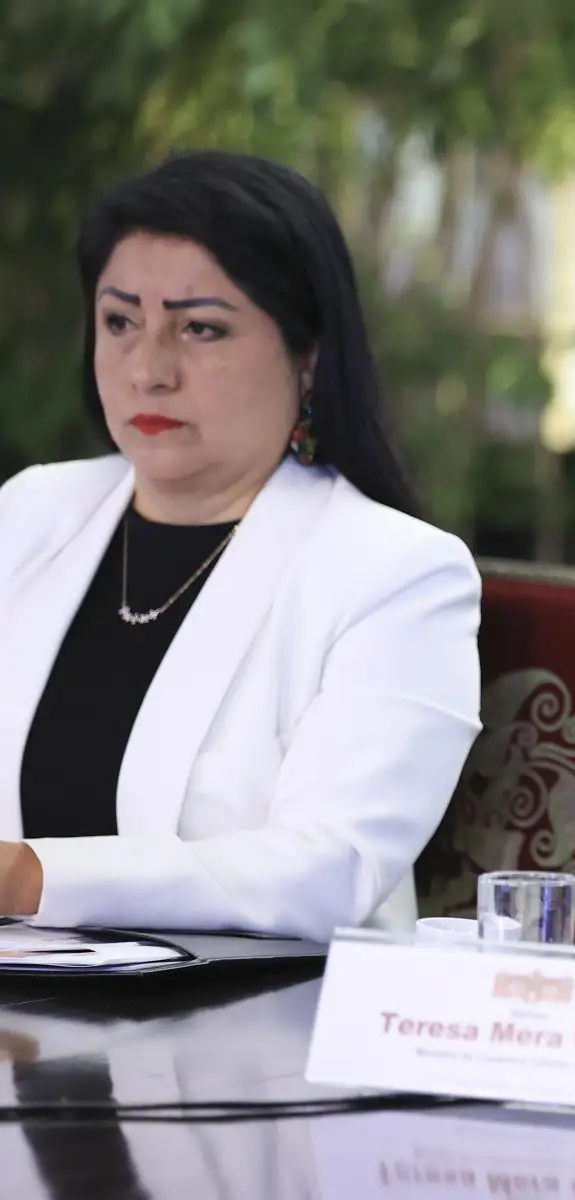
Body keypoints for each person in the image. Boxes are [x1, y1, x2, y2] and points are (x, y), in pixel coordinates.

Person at [0, 151, 481, 941]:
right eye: (120, 321)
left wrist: (28, 875)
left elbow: (326, 869)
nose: (148, 369)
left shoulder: (395, 574)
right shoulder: (33, 514)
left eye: (200, 328)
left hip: (265, 1034)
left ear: (309, 352)